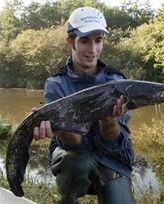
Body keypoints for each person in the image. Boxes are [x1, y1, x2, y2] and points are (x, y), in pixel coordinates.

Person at [33, 6, 136, 204]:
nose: (93, 49)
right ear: (71, 41)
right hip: (74, 155)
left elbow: (113, 143)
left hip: (112, 155)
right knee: (77, 162)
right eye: (85, 41)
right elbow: (76, 144)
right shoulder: (56, 83)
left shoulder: (117, 81)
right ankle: (69, 199)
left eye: (98, 41)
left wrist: (109, 121)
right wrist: (60, 129)